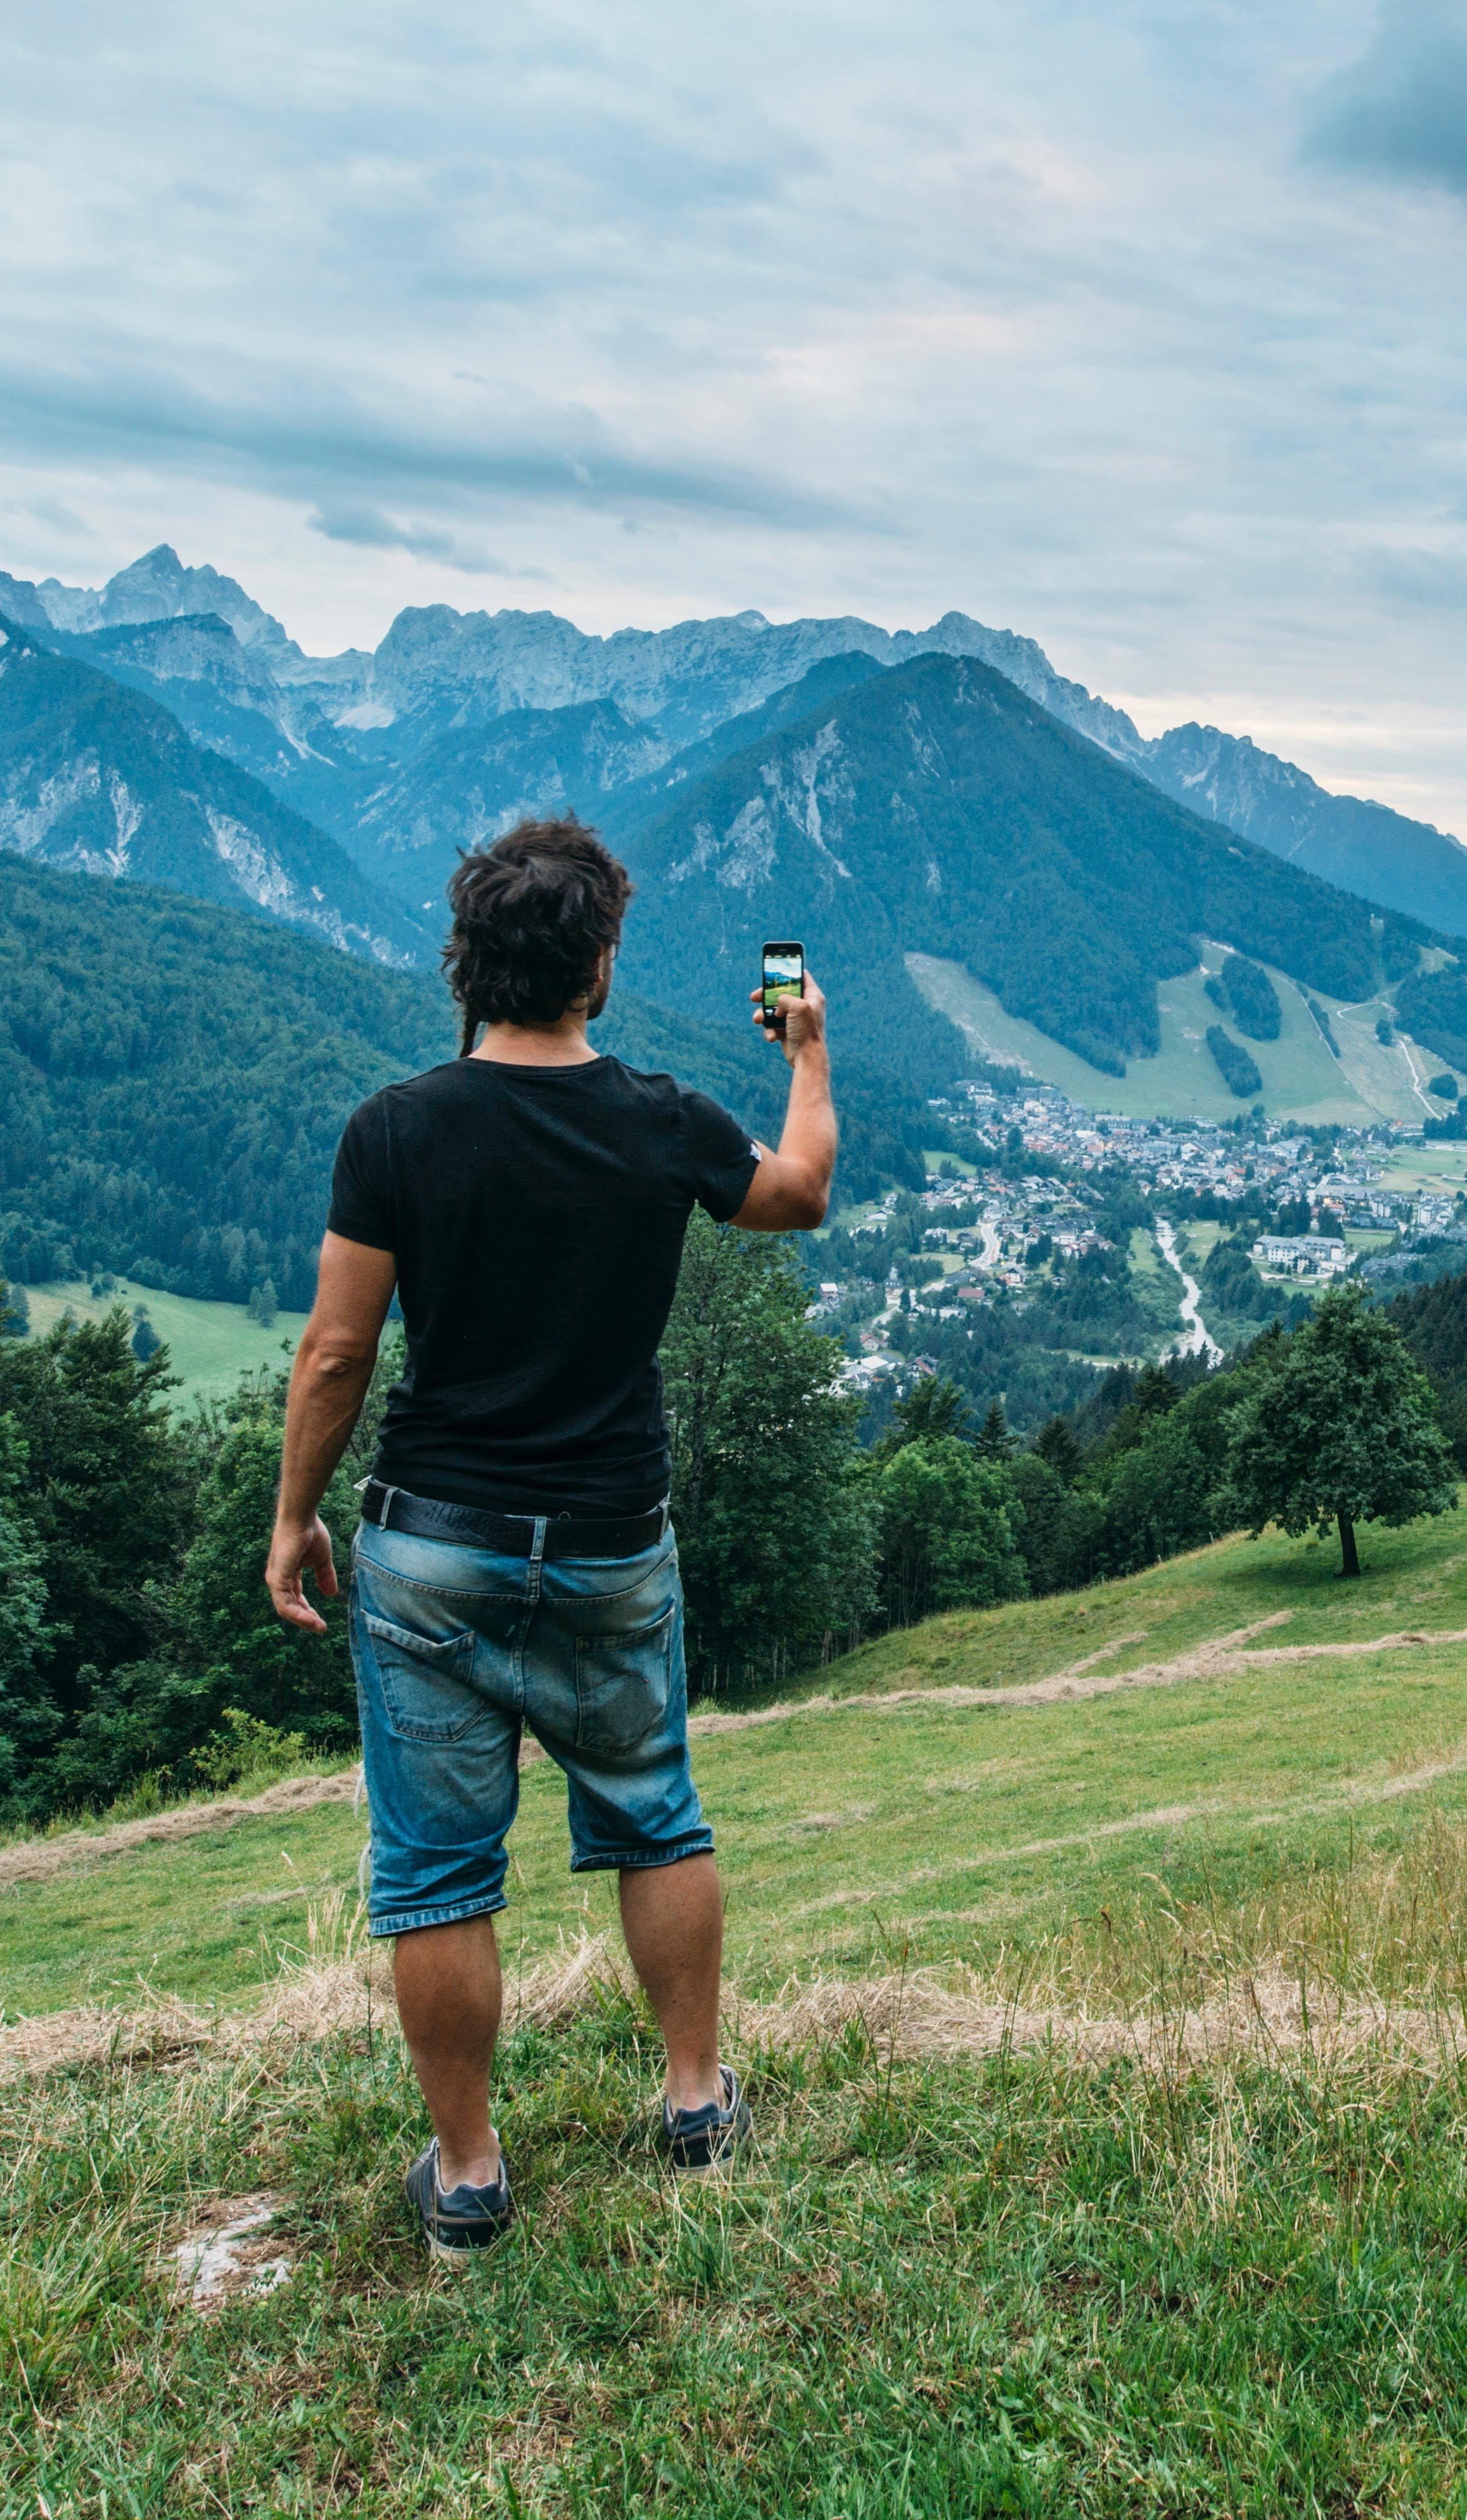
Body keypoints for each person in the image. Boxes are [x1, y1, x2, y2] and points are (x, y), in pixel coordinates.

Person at [266, 813, 831, 2257]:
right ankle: (698, 2102)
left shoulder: (393, 1128)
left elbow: (335, 1356)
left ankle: (467, 2175)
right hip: (607, 1537)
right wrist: (808, 1051)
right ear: (599, 963)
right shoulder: (662, 1118)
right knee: (655, 1810)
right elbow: (799, 1192)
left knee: (438, 1870)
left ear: (468, 957)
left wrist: (290, 1519)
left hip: (430, 1544)